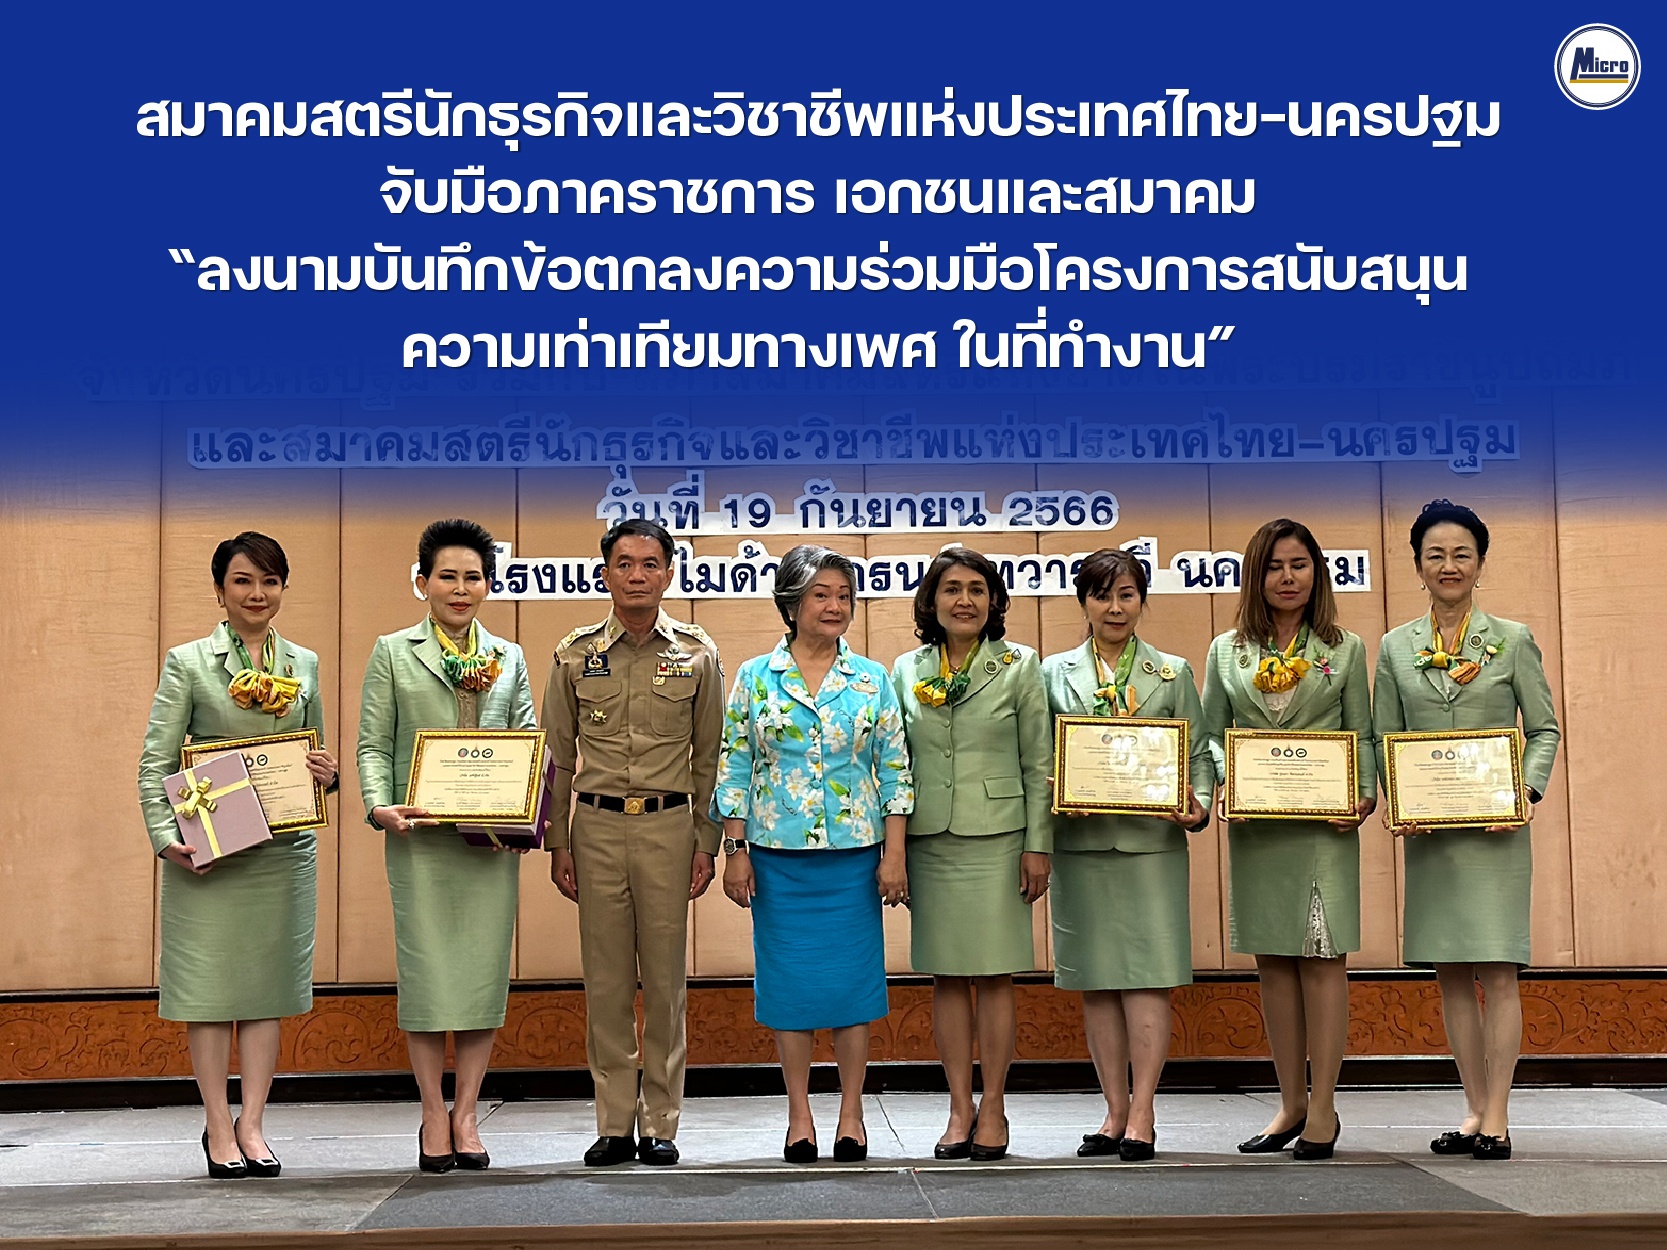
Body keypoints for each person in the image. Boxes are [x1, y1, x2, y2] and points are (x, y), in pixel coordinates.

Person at [138, 531, 339, 1180]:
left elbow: (318, 755)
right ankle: (217, 1125)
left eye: (271, 581)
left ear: (283, 588)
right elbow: (154, 763)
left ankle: (253, 1123)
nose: (258, 594)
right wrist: (168, 838)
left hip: (282, 852)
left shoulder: (303, 663)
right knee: (207, 993)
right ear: (220, 590)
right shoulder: (189, 662)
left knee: (264, 991)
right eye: (244, 581)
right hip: (211, 852)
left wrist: (327, 774)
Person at [715, 544, 913, 1164]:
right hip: (778, 858)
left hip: (855, 857)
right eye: (820, 595)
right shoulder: (754, 676)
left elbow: (896, 771)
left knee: (853, 987)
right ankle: (800, 1115)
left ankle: (851, 1114)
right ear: (791, 603)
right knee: (791, 989)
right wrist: (735, 849)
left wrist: (895, 855)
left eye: (843, 596)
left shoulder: (872, 679)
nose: (835, 606)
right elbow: (735, 766)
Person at [1374, 499, 1560, 1162]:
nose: (1447, 565)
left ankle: (1501, 1116)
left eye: (1460, 554)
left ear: (1478, 562)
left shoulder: (1511, 638)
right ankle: (1473, 1107)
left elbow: (1542, 729)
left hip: (1495, 831)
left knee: (1498, 970)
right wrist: (1399, 798)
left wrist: (1526, 788)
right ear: (1417, 564)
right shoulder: (1396, 647)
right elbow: (1382, 738)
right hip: (1433, 836)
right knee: (1450, 972)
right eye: (1434, 554)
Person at [356, 518, 536, 1174]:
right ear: (422, 582)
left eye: (473, 577)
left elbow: (527, 742)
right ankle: (432, 1110)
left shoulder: (510, 657)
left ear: (489, 585)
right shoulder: (393, 652)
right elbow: (374, 743)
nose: (460, 590)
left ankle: (468, 1113)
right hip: (422, 843)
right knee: (430, 977)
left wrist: (518, 819)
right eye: (447, 576)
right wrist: (379, 807)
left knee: (482, 978)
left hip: (487, 847)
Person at [542, 518, 723, 1168]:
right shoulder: (573, 652)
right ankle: (615, 1123)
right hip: (593, 828)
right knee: (608, 981)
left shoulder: (698, 652)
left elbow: (710, 755)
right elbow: (556, 757)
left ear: (669, 573)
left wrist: (707, 839)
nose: (637, 575)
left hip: (669, 827)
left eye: (650, 563)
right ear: (605, 573)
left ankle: (662, 1122)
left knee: (667, 981)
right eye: (624, 564)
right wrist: (555, 843)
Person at [1200, 518, 1375, 1161]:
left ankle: (1324, 1108)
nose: (1287, 577)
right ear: (1256, 574)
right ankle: (1289, 1104)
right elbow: (1207, 738)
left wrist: (1363, 791)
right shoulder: (1226, 652)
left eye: (1299, 564)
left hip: (1323, 831)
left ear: (1317, 572)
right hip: (1258, 829)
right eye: (1275, 566)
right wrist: (1226, 784)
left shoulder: (1347, 648)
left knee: (1323, 958)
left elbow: (1363, 737)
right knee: (1274, 961)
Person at [1041, 548, 1213, 1162]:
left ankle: (1144, 1111)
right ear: (1083, 601)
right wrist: (1060, 797)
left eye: (1127, 595)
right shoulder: (1050, 673)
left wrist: (1197, 803)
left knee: (1147, 979)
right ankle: (1112, 1109)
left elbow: (1199, 755)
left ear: (1143, 600)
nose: (1115, 607)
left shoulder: (1173, 673)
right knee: (1097, 981)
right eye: (1102, 595)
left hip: (1150, 847)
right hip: (1080, 846)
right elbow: (1042, 758)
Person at [890, 547, 1051, 1162]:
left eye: (978, 589)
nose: (965, 599)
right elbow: (894, 762)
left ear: (994, 600)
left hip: (1002, 839)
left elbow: (1040, 764)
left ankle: (997, 1106)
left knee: (996, 974)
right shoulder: (905, 669)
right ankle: (959, 1106)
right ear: (931, 600)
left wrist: (1039, 845)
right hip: (931, 839)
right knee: (948, 976)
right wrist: (895, 850)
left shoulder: (1019, 665)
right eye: (952, 588)